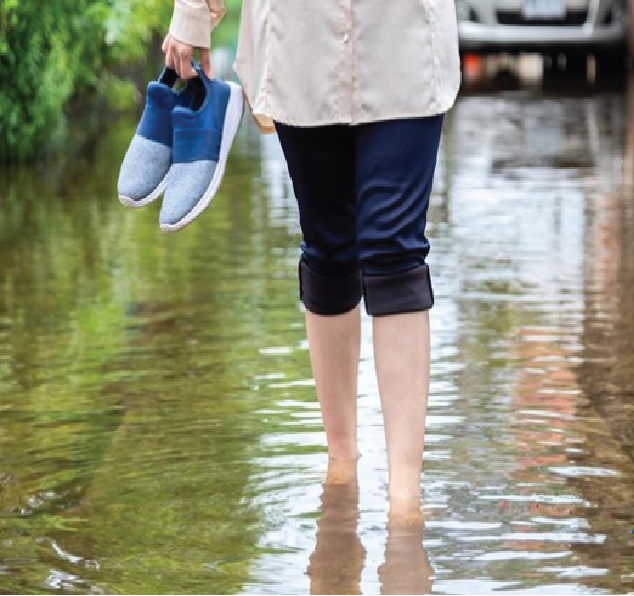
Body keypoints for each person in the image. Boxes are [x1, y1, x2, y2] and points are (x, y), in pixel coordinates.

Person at [163, 0, 461, 517]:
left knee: (395, 248)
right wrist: (193, 15)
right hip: (299, 39)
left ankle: (405, 498)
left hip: (404, 35)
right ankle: (341, 463)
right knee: (327, 246)